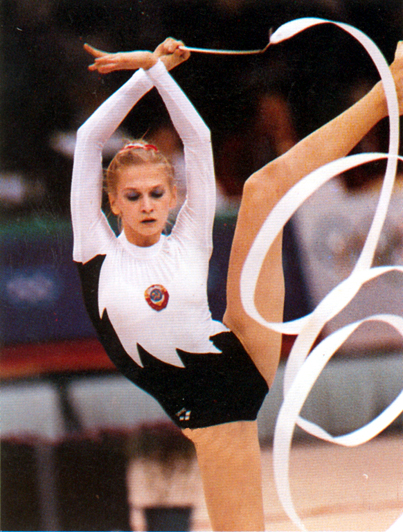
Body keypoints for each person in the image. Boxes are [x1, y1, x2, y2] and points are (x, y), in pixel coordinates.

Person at [72, 38, 403, 531]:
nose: (146, 205)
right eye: (133, 196)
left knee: (262, 189)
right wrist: (147, 72)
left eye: (156, 193)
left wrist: (160, 72)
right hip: (208, 408)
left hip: (236, 354)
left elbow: (198, 138)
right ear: (113, 204)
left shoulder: (189, 235)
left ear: (173, 196)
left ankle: (388, 93)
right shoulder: (95, 250)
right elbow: (88, 141)